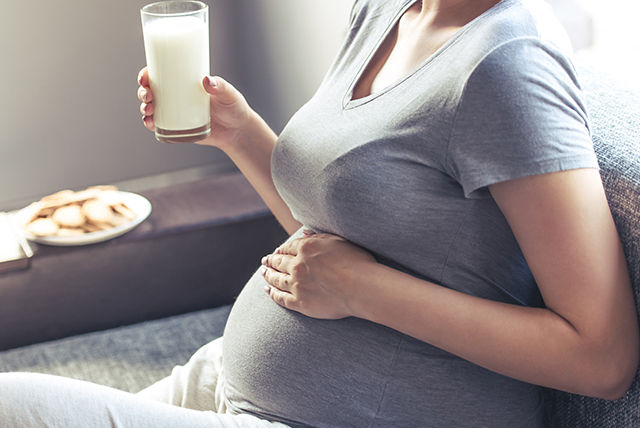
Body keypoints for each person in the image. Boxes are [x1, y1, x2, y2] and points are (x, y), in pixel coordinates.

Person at [1, 0, 638, 426]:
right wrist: (241, 134)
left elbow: (601, 359)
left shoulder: (506, 63)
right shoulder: (388, 9)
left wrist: (364, 290)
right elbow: (340, 236)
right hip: (229, 376)